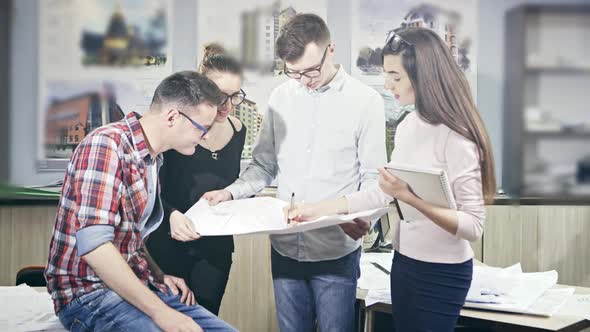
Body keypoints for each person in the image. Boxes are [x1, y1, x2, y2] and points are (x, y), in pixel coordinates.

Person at [289, 27, 496, 332]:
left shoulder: (457, 136)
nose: (387, 85)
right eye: (386, 75)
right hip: (404, 264)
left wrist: (410, 198)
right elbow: (382, 193)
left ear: (424, 74)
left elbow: (473, 226)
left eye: (395, 77)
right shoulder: (408, 125)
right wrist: (319, 210)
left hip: (442, 274)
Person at [203, 13, 387, 332]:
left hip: (336, 251)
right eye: (294, 71)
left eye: (311, 70)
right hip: (285, 247)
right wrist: (229, 192)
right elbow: (263, 166)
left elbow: (373, 178)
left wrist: (362, 217)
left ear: (331, 50)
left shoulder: (365, 101)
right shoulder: (280, 98)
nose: (304, 80)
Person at [44, 71, 237, 332]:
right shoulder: (106, 145)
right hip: (89, 294)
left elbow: (128, 238)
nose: (205, 137)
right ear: (172, 117)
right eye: (203, 128)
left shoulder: (151, 158)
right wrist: (162, 314)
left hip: (139, 283)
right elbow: (95, 247)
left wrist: (158, 275)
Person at [147, 44, 246, 316]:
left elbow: (231, 187)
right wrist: (170, 216)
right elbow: (148, 189)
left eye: (235, 96)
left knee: (206, 317)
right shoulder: (176, 129)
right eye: (220, 96)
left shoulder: (239, 131)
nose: (226, 106)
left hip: (214, 248)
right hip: (167, 242)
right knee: (168, 319)